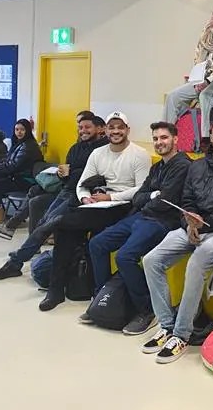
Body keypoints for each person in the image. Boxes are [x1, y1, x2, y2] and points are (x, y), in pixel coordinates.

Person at [141, 118, 213, 363]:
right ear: (210, 138)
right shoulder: (197, 165)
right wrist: (190, 223)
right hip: (191, 227)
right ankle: (166, 326)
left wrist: (205, 223)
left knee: (195, 265)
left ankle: (181, 334)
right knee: (151, 260)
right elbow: (187, 200)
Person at [84, 122, 191, 335]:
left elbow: (166, 202)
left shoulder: (183, 165)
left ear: (175, 139)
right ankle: (104, 297)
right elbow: (139, 197)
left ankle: (146, 310)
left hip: (163, 222)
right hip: (142, 216)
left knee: (125, 257)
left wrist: (148, 199)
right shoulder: (157, 167)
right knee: (97, 244)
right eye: (156, 139)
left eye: (164, 138)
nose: (159, 142)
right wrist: (151, 196)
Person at [38, 112, 151, 311]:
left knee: (66, 223)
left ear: (127, 130)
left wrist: (111, 197)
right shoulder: (98, 153)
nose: (116, 131)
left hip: (123, 205)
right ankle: (56, 290)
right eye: (111, 127)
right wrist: (84, 198)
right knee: (66, 231)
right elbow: (82, 184)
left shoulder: (139, 154)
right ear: (105, 130)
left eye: (120, 127)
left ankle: (55, 223)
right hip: (96, 205)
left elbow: (142, 189)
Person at [0, 116, 108, 278]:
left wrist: (72, 171)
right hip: (67, 189)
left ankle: (15, 261)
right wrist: (62, 174)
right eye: (80, 127)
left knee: (46, 224)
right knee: (42, 220)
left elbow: (94, 175)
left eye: (87, 127)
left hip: (84, 195)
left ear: (99, 128)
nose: (83, 131)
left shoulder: (103, 150)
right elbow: (69, 173)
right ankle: (16, 260)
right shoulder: (76, 148)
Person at [163, 4, 213, 145]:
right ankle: (166, 135)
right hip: (200, 77)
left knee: (205, 95)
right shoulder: (206, 33)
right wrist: (197, 79)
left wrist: (207, 81)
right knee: (173, 96)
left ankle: (206, 138)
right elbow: (198, 58)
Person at [0, 119, 43, 231]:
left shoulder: (28, 146)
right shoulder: (20, 144)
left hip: (25, 180)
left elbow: (13, 165)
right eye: (17, 129)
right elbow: (8, 160)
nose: (19, 132)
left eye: (22, 130)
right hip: (17, 177)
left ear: (28, 131)